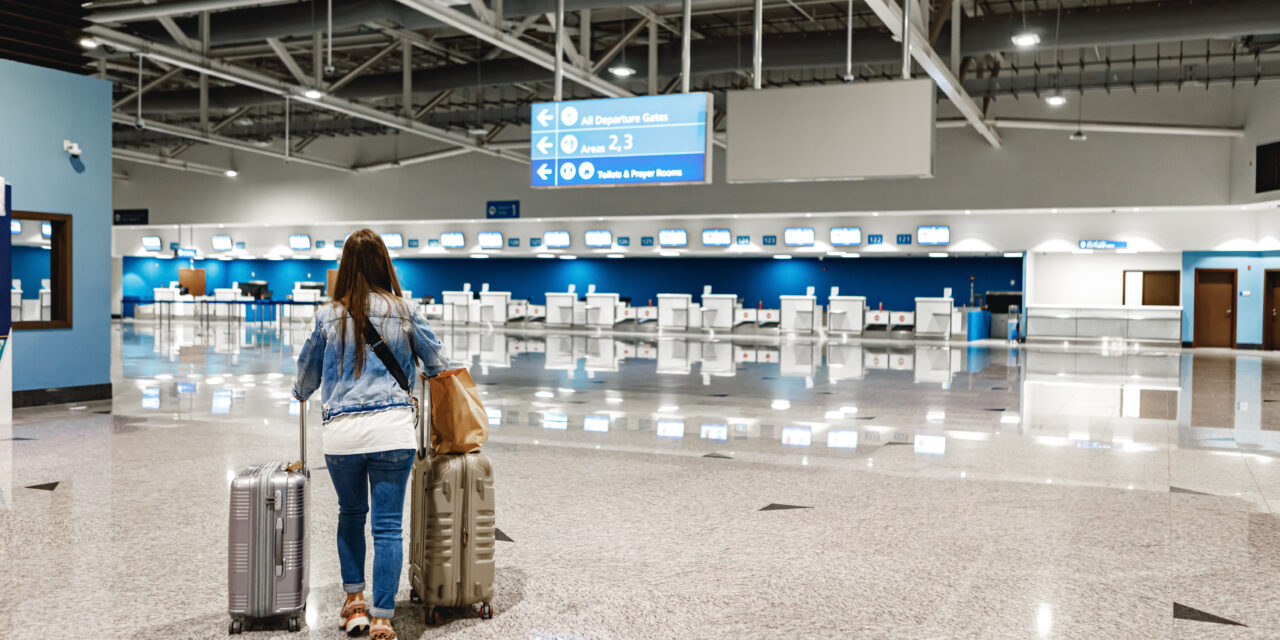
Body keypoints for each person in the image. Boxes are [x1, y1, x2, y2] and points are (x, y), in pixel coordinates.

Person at [292, 229, 448, 640]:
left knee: (350, 515)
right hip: (393, 433)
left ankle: (354, 603)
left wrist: (300, 392)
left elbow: (305, 379)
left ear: (345, 268)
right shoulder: (406, 310)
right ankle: (382, 616)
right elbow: (437, 363)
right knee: (387, 527)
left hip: (342, 437)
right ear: (385, 264)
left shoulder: (327, 315)